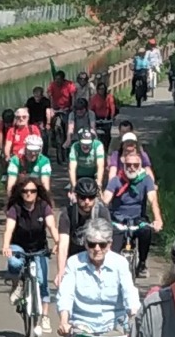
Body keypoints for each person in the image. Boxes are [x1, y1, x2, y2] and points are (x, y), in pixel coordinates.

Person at [55, 217, 141, 337]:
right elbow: (66, 293)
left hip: (114, 321)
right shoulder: (74, 263)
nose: (97, 249)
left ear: (110, 244)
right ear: (85, 244)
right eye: (92, 244)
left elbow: (129, 290)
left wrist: (133, 313)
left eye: (102, 244)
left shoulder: (119, 263)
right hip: (84, 321)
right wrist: (64, 320)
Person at [0, 178, 59, 337]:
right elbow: (9, 229)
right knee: (14, 262)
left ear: (37, 192)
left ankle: (45, 316)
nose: (29, 194)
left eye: (32, 191)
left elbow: (52, 227)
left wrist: (58, 242)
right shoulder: (15, 209)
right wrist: (6, 246)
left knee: (42, 281)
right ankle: (16, 285)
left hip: (39, 248)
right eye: (25, 191)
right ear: (20, 192)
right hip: (19, 246)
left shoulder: (43, 207)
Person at [103, 149, 163, 278]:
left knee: (146, 231)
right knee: (112, 252)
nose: (132, 168)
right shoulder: (116, 180)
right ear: (123, 164)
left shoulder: (146, 180)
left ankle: (142, 263)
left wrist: (158, 219)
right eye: (128, 165)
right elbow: (106, 199)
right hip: (118, 221)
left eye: (135, 165)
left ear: (140, 166)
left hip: (138, 219)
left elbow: (153, 201)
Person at [54, 177, 112, 290]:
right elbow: (63, 244)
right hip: (74, 257)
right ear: (76, 196)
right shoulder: (67, 214)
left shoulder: (102, 212)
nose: (87, 201)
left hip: (96, 255)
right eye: (83, 197)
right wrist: (61, 271)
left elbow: (108, 243)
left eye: (91, 197)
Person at [89, 80, 117, 146]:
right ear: (97, 90)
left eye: (103, 89)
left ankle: (107, 147)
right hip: (97, 118)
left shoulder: (109, 97)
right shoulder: (94, 98)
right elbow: (91, 109)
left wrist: (112, 117)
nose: (102, 90)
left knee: (107, 135)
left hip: (107, 119)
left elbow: (112, 107)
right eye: (100, 89)